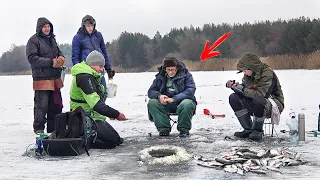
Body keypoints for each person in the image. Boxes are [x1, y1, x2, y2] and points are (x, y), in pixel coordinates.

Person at [70, 50, 127, 148]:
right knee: (111, 142)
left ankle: (93, 135)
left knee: (117, 140)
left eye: (103, 67)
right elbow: (96, 105)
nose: (102, 69)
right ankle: (87, 139)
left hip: (94, 116)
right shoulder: (84, 78)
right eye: (100, 66)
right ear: (92, 64)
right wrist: (116, 114)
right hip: (84, 117)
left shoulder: (92, 76)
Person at [226, 52, 284, 141]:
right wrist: (235, 87)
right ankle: (248, 129)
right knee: (233, 98)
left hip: (273, 103)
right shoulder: (249, 75)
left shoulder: (267, 74)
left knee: (258, 101)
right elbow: (247, 89)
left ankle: (257, 131)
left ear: (252, 67)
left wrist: (241, 89)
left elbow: (261, 94)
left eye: (245, 70)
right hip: (255, 101)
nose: (244, 73)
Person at [26, 17, 66, 134]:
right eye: (44, 27)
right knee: (41, 107)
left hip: (54, 78)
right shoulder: (33, 41)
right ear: (40, 28)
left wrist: (61, 58)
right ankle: (39, 130)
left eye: (48, 26)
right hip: (41, 79)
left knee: (56, 106)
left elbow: (59, 52)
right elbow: (32, 58)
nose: (47, 29)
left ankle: (53, 131)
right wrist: (51, 62)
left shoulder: (52, 40)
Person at [147, 57, 197, 137]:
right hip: (165, 103)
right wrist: (159, 96)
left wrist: (174, 99)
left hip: (181, 103)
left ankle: (184, 129)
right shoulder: (160, 76)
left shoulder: (186, 75)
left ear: (177, 68)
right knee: (152, 102)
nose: (170, 72)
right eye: (168, 70)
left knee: (187, 103)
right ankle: (163, 128)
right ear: (165, 69)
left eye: (172, 69)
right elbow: (151, 91)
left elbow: (190, 91)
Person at [71, 15, 115, 91]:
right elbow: (75, 57)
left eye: (92, 25)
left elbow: (104, 53)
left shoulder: (98, 36)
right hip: (86, 72)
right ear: (83, 26)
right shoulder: (77, 38)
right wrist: (78, 71)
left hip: (99, 71)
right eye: (88, 26)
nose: (91, 28)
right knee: (91, 95)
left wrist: (108, 68)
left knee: (103, 92)